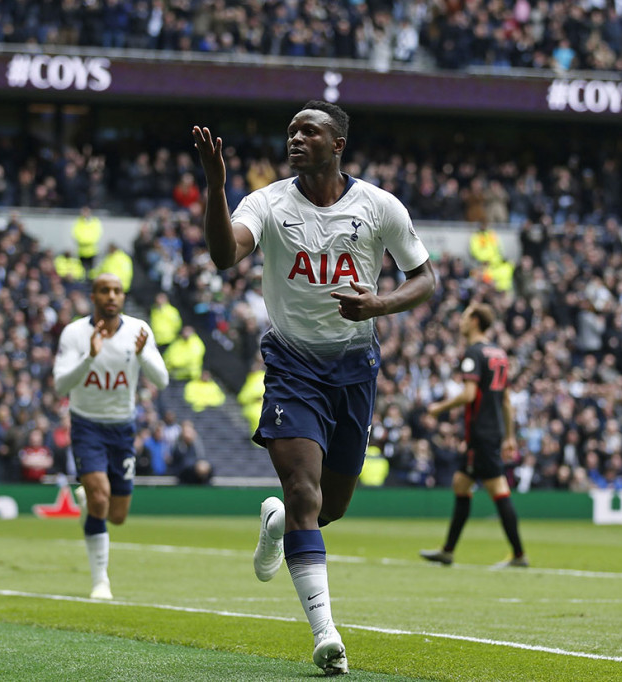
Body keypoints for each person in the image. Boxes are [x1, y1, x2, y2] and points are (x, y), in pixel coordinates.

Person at [192, 100, 437, 676]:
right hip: (292, 365)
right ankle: (326, 633)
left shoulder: (379, 207)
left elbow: (425, 278)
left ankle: (279, 521)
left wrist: (379, 303)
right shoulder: (268, 202)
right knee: (306, 492)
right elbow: (225, 254)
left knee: (331, 503)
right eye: (291, 132)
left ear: (337, 144)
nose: (296, 139)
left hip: (354, 370)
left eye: (310, 131)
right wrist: (216, 187)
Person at [53, 272, 169, 600]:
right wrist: (89, 356)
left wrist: (145, 353)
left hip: (122, 428)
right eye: (104, 290)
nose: (111, 296)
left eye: (117, 291)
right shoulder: (74, 334)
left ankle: (87, 501)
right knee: (101, 498)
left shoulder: (138, 331)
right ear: (94, 296)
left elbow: (162, 381)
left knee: (116, 516)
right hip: (87, 425)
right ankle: (100, 581)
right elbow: (61, 385)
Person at [420, 302, 528, 568]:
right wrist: (509, 436)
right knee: (461, 483)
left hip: (480, 432)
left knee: (497, 488)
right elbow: (505, 400)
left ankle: (518, 555)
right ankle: (447, 550)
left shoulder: (474, 353)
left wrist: (438, 408)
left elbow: (469, 395)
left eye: (466, 317)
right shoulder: (499, 354)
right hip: (491, 432)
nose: (461, 321)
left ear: (476, 321)